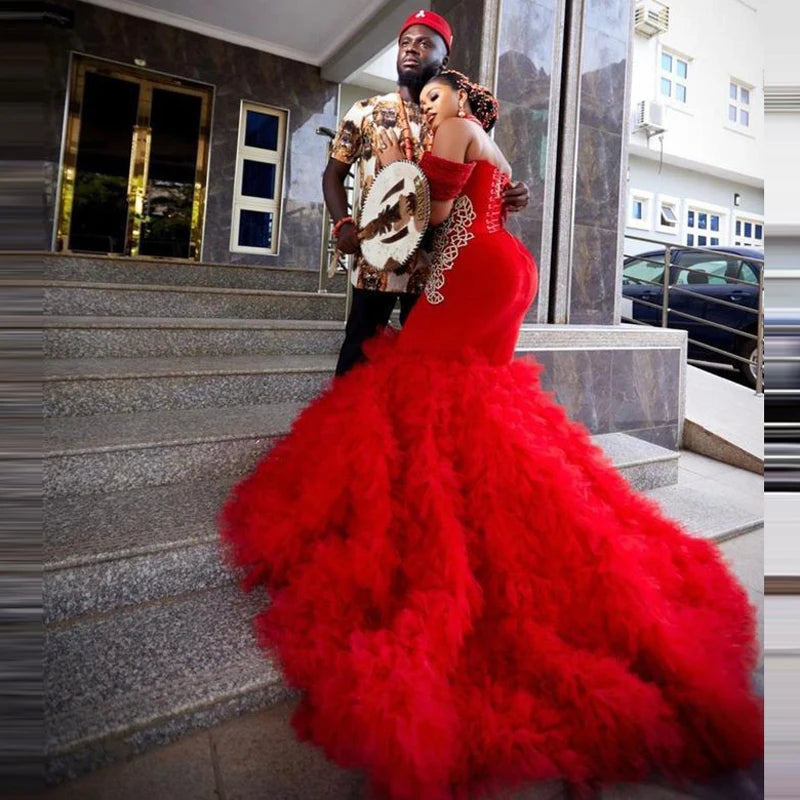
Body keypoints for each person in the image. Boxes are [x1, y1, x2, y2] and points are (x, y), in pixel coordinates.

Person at [221, 71, 762, 800]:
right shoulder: (493, 145)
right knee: (480, 401)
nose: (429, 104)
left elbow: (429, 219)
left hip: (464, 272)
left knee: (419, 376)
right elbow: (477, 201)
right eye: (428, 98)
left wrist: (385, 245)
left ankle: (448, 510)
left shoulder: (452, 131)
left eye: (439, 93)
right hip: (509, 269)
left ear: (461, 100)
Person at [324, 9, 529, 376]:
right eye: (405, 42)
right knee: (358, 358)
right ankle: (354, 433)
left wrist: (510, 194)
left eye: (423, 43)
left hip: (437, 268)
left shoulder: (453, 118)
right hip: (379, 259)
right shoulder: (366, 111)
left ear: (443, 58)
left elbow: (481, 178)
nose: (411, 49)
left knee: (426, 367)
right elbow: (333, 175)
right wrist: (342, 224)